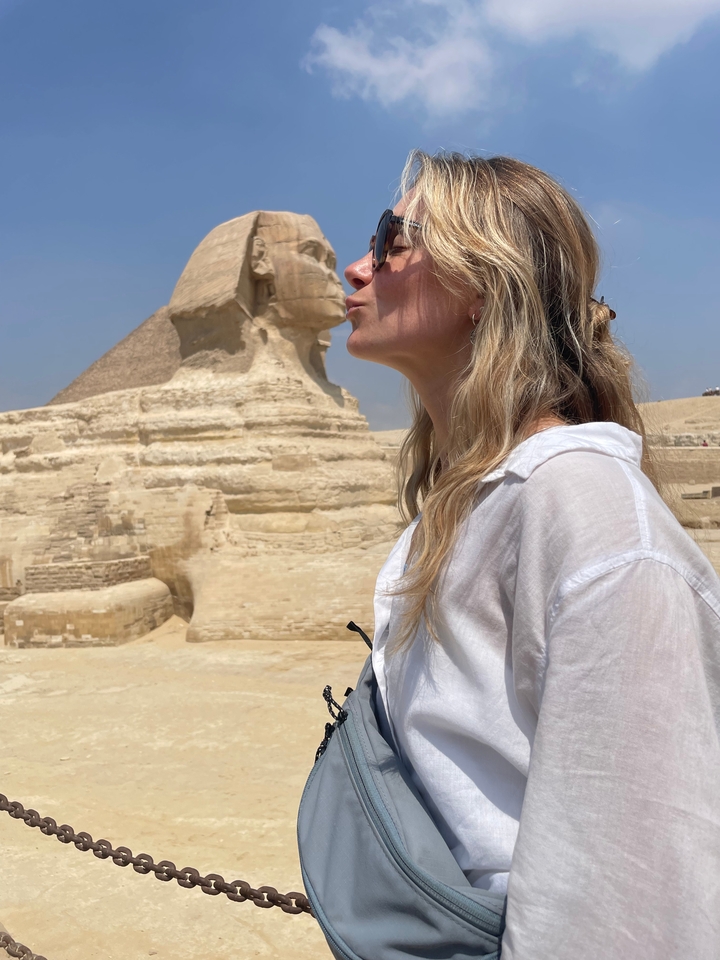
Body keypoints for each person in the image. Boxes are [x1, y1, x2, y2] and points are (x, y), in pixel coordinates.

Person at [343, 152, 720, 959]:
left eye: (391, 239)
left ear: (484, 278)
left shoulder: (587, 510)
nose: (355, 265)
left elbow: (631, 902)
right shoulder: (464, 498)